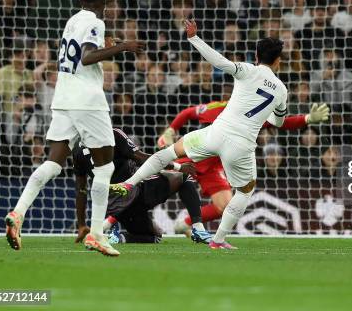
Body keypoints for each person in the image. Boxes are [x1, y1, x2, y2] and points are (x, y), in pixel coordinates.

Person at [111, 20, 288, 250]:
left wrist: (194, 38)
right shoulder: (281, 90)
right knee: (245, 190)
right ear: (277, 61)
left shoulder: (247, 70)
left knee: (168, 153)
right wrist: (269, 117)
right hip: (241, 146)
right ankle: (218, 240)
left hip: (216, 133)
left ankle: (128, 183)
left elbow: (218, 60)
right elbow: (280, 121)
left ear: (256, 55)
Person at [4, 0, 144, 257]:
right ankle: (96, 234)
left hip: (64, 98)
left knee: (53, 163)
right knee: (104, 170)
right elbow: (88, 56)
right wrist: (123, 47)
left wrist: (109, 44)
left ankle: (18, 213)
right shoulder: (95, 21)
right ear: (102, 2)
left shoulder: (72, 21)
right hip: (88, 101)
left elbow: (82, 52)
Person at [157, 100, 330, 235]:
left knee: (225, 207)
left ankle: (184, 224)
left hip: (214, 164)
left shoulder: (254, 115)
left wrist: (307, 118)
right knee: (157, 184)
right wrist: (170, 130)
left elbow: (282, 123)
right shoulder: (219, 107)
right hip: (195, 155)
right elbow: (188, 112)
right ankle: (135, 212)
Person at [73, 128, 211, 244]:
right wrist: (178, 166)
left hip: (117, 207)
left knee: (155, 236)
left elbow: (81, 189)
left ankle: (118, 237)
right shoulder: (113, 134)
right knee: (184, 178)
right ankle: (198, 229)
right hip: (137, 190)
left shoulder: (77, 150)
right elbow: (141, 158)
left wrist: (81, 225)